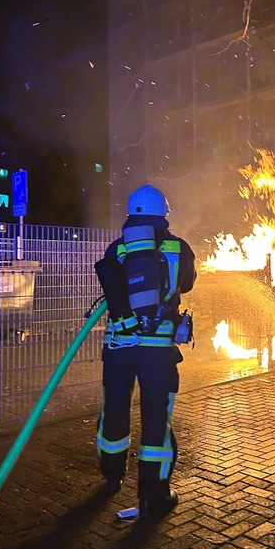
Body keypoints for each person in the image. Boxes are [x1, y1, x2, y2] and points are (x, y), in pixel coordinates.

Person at [94, 184, 196, 519]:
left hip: (119, 347)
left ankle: (112, 475)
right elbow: (186, 284)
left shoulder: (118, 247)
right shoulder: (179, 247)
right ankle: (154, 494)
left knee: (114, 409)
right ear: (163, 213)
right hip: (157, 351)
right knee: (156, 419)